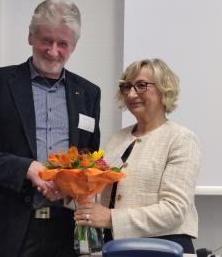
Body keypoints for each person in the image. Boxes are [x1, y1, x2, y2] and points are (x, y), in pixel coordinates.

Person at [0, 0, 101, 257]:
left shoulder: (89, 93)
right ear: (30, 37)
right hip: (8, 231)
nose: (53, 50)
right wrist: (26, 168)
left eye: (63, 44)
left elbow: (89, 156)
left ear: (74, 46)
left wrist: (73, 184)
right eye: (46, 40)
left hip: (67, 229)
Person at [74, 58, 201, 254]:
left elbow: (174, 210)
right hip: (114, 245)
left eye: (141, 85)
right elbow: (101, 194)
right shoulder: (116, 139)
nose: (132, 94)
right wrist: (70, 191)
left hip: (164, 247)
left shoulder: (181, 139)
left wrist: (111, 218)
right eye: (127, 87)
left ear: (164, 89)